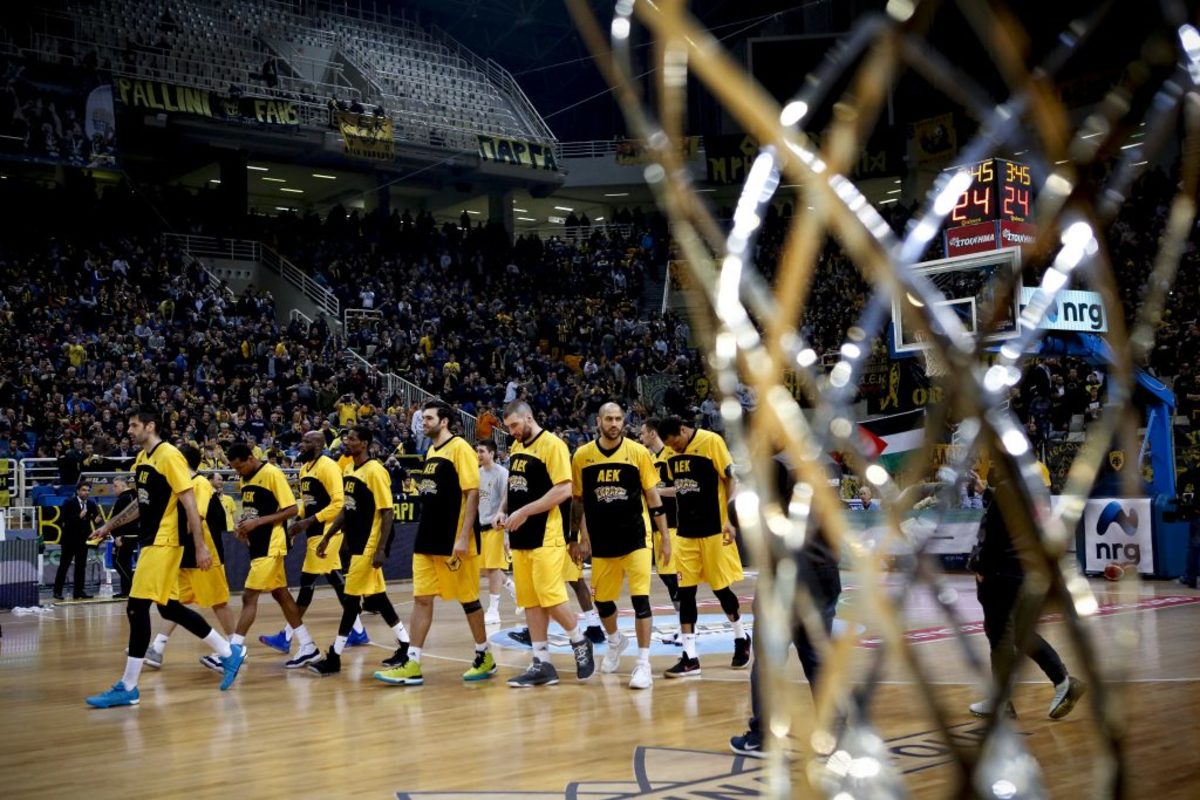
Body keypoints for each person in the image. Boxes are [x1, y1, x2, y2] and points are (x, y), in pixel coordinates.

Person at [86, 407, 241, 708]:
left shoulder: (170, 456)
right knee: (169, 608)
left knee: (136, 607)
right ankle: (227, 652)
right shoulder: (142, 460)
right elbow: (140, 504)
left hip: (164, 542)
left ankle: (128, 686)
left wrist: (200, 547)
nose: (128, 430)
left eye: (133, 425)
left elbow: (190, 504)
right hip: (151, 540)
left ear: (150, 426)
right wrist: (109, 525)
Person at [375, 401, 496, 685]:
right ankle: (413, 662)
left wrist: (463, 537)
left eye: (428, 418)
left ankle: (484, 655)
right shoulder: (430, 451)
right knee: (422, 599)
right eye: (423, 418)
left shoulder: (460, 448)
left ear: (444, 422)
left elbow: (472, 493)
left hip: (453, 539)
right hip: (427, 537)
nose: (423, 422)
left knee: (468, 599)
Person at [730, 454, 841, 757]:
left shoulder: (776, 464)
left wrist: (738, 488)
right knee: (818, 656)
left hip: (786, 573)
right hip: (825, 569)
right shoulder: (828, 462)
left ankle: (764, 736)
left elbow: (742, 515)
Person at [967, 459, 1086, 719]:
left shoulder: (1008, 490)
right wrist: (985, 492)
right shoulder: (1034, 491)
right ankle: (1063, 681)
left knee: (999, 637)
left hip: (1001, 573)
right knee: (1021, 634)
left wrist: (979, 566)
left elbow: (993, 537)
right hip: (1027, 571)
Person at [573, 402, 670, 689]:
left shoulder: (638, 452)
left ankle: (643, 664)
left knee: (641, 601)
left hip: (636, 538)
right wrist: (578, 537)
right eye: (609, 419)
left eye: (618, 419)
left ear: (624, 421)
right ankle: (616, 640)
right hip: (602, 542)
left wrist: (665, 537)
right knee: (603, 602)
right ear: (598, 421)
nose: (614, 424)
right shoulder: (582, 456)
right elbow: (578, 501)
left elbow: (653, 497)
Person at [498, 400, 595, 687]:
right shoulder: (517, 447)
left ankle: (580, 640)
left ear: (529, 418)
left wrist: (525, 512)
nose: (512, 432)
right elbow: (514, 485)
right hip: (520, 535)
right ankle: (542, 663)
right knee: (530, 600)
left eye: (515, 425)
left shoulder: (553, 445)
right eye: (508, 428)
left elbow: (564, 490)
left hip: (546, 534)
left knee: (549, 596)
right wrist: (503, 510)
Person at [308, 427, 411, 676]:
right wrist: (328, 537)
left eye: (352, 439)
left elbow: (387, 512)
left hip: (368, 545)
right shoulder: (348, 470)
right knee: (378, 599)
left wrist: (381, 549)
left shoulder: (375, 471)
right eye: (347, 438)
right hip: (355, 543)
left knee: (351, 601)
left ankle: (334, 656)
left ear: (364, 443)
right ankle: (406, 647)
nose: (347, 441)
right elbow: (347, 509)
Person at [652, 416, 749, 678]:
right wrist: (657, 491)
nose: (674, 449)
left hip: (714, 529)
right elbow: (682, 487)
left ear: (683, 430)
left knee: (720, 589)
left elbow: (732, 479)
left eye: (675, 443)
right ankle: (690, 657)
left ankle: (741, 637)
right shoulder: (671, 453)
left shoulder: (711, 441)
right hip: (686, 532)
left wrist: (731, 519)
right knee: (685, 593)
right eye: (669, 446)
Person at [261, 431, 369, 655]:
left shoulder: (328, 466)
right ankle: (358, 630)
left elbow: (339, 503)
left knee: (307, 582)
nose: (302, 444)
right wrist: (296, 522)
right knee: (335, 580)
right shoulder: (304, 469)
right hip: (313, 531)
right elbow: (307, 503)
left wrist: (309, 521)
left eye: (307, 441)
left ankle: (287, 635)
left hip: (327, 532)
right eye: (302, 440)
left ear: (319, 445)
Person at [226, 442, 318, 670]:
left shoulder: (272, 474)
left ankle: (232, 651)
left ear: (251, 458)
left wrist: (257, 522)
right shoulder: (245, 479)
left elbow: (292, 509)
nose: (238, 473)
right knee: (281, 594)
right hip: (257, 544)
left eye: (240, 467)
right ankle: (308, 646)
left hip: (272, 543)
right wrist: (243, 526)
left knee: (249, 596)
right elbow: (253, 512)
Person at [145, 444, 236, 671]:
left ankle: (235, 647)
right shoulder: (177, 485)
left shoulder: (200, 483)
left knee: (219, 602)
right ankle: (157, 648)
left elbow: (197, 516)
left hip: (204, 552)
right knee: (175, 604)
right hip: (183, 553)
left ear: (181, 461)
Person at [639, 418, 682, 645]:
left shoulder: (670, 456)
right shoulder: (650, 459)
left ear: (653, 433)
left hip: (674, 524)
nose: (641, 437)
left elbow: (683, 487)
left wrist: (656, 492)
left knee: (675, 579)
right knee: (667, 577)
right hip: (657, 526)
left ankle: (687, 629)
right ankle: (682, 626)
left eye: (643, 433)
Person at [476, 438, 515, 624]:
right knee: (485, 569)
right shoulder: (477, 473)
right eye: (477, 451)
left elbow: (506, 503)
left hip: (497, 528)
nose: (478, 455)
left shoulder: (502, 473)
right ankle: (514, 589)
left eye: (482, 451)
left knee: (492, 569)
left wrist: (506, 534)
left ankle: (493, 611)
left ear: (492, 454)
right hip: (481, 527)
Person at [53, 481, 102, 600]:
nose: (86, 492)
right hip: (69, 539)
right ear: (78, 491)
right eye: (84, 490)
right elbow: (63, 519)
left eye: (88, 490)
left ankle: (79, 591)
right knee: (64, 565)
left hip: (83, 540)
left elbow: (95, 518)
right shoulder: (69, 502)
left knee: (81, 566)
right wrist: (78, 517)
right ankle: (57, 591)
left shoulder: (91, 503)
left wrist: (97, 520)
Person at [108, 476, 139, 598]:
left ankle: (135, 587)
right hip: (131, 534)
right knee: (125, 563)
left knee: (118, 562)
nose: (114, 489)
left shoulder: (125, 498)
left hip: (124, 535)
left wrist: (117, 535)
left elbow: (120, 519)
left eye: (115, 486)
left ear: (123, 485)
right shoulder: (133, 496)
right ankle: (126, 591)